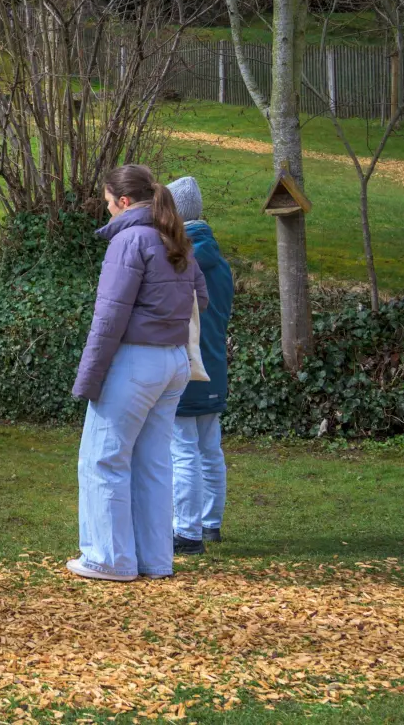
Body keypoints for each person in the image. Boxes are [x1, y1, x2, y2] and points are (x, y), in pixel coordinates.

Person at [68, 164, 208, 584]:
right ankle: (154, 559)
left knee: (102, 458)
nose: (107, 210)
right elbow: (201, 298)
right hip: (173, 361)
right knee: (153, 463)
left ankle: (107, 558)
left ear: (124, 201)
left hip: (135, 361)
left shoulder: (129, 240)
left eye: (108, 203)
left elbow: (109, 317)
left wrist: (88, 377)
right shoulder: (174, 236)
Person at [166, 176, 234, 555]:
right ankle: (211, 523)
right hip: (215, 366)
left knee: (183, 450)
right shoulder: (221, 264)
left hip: (185, 365)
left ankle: (186, 531)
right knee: (210, 448)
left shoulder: (177, 263)